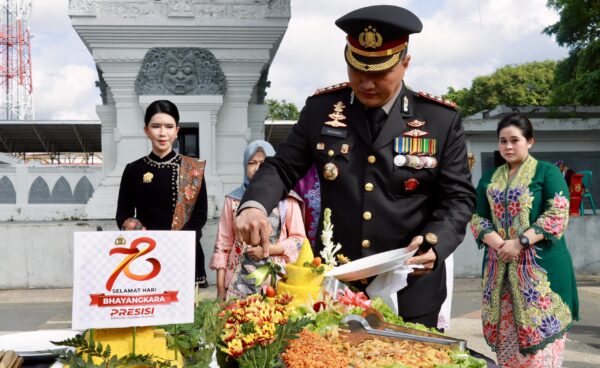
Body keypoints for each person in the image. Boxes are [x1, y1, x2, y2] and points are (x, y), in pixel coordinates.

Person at [235, 5, 476, 328]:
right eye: (357, 69)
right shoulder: (322, 110)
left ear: (404, 63)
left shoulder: (439, 120)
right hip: (337, 283)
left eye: (379, 72)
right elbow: (281, 167)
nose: (366, 83)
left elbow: (458, 198)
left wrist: (435, 240)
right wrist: (253, 205)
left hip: (410, 286)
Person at [470, 114, 579, 367]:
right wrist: (499, 244)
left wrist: (518, 242)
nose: (508, 146)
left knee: (541, 351)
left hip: (542, 274)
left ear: (530, 142)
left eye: (514, 140)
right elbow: (477, 217)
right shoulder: (489, 177)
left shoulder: (547, 172)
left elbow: (557, 212)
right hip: (500, 271)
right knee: (507, 343)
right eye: (503, 141)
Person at [116, 99, 209, 288]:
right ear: (146, 130)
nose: (162, 133)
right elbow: (122, 215)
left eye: (169, 126)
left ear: (177, 131)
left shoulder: (192, 169)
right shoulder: (133, 169)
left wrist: (174, 242)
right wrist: (134, 229)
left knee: (185, 317)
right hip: (145, 252)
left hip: (184, 252)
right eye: (156, 126)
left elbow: (200, 215)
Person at [210, 140, 306, 301]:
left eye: (264, 163)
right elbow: (223, 245)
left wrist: (268, 250)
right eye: (252, 163)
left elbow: (299, 241)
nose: (257, 168)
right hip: (237, 282)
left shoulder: (288, 200)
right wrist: (220, 288)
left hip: (277, 280)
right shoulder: (232, 199)